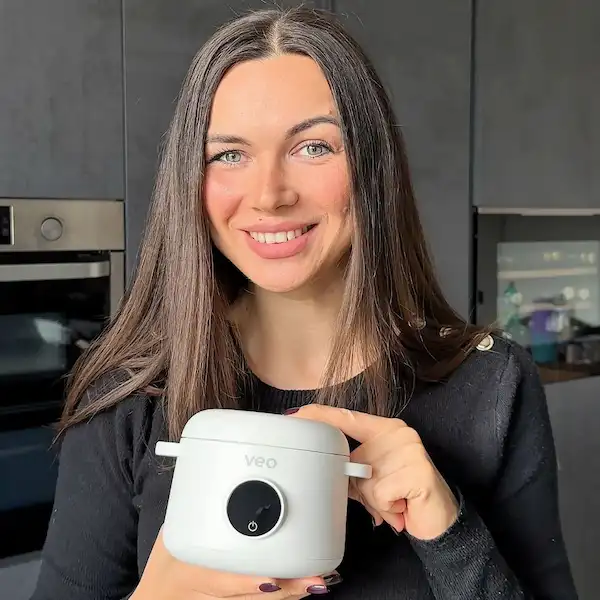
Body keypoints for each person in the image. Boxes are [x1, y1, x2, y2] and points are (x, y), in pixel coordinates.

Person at [31, 7, 578, 600]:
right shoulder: (128, 393)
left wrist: (452, 535)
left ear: (372, 166)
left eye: (313, 147)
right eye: (229, 155)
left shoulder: (494, 383)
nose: (270, 195)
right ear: (190, 176)